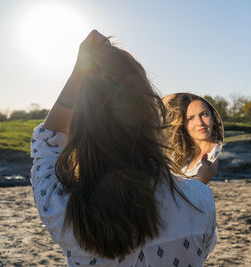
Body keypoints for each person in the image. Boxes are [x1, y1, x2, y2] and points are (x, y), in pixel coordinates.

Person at [30, 30, 216, 266]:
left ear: (82, 125)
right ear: (151, 115)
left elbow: (47, 138)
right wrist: (198, 182)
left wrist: (81, 72)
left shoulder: (61, 209)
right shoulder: (200, 201)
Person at [163, 93, 223, 184]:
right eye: (190, 118)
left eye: (204, 114)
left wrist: (201, 181)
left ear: (213, 117)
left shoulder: (217, 155)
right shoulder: (177, 154)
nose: (199, 123)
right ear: (183, 124)